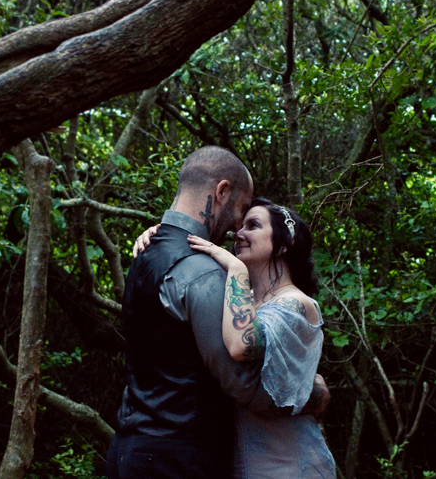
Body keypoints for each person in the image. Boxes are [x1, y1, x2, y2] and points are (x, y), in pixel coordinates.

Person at [107, 147, 329, 479]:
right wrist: (313, 394)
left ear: (283, 246)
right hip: (178, 458)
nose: (238, 227)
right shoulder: (203, 272)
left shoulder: (149, 256)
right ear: (221, 191)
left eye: (252, 224)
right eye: (242, 211)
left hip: (133, 448)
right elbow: (244, 383)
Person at [187, 198, 336, 478]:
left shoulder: (298, 303)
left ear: (283, 244)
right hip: (238, 460)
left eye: (253, 225)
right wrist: (160, 234)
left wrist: (236, 269)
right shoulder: (242, 297)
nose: (238, 234)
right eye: (240, 226)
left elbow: (242, 345)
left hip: (289, 464)